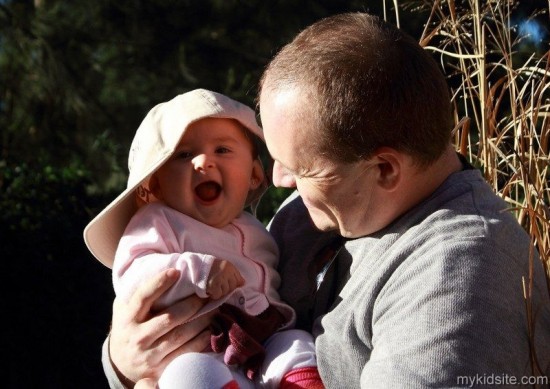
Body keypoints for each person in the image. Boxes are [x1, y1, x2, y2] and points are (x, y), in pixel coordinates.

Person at [100, 12, 550, 388]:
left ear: (385, 169)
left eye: (301, 168)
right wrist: (124, 361)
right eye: (275, 158)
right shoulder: (311, 213)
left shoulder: (460, 280)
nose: (277, 180)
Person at [84, 89, 321, 388]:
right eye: (183, 155)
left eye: (222, 150)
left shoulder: (259, 231)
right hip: (198, 350)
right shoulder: (157, 222)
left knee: (296, 344)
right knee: (189, 373)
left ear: (254, 175)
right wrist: (199, 271)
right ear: (153, 185)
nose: (203, 162)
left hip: (260, 344)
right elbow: (134, 274)